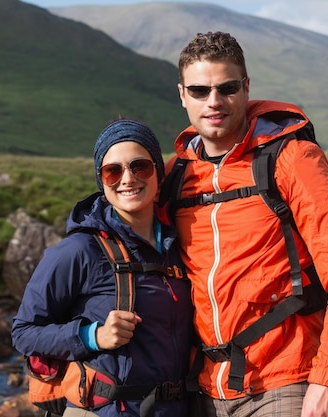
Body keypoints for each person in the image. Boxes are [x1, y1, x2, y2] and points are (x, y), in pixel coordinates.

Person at [162, 31, 328, 417]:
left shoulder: (293, 161)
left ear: (246, 88)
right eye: (198, 91)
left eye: (226, 88)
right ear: (181, 94)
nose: (213, 101)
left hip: (283, 381)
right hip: (200, 387)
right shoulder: (173, 176)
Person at [11, 119, 194, 417]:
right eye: (113, 171)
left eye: (140, 167)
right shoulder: (78, 250)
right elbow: (23, 333)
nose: (128, 178)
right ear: (102, 180)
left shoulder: (178, 247)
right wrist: (91, 336)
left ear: (158, 173)